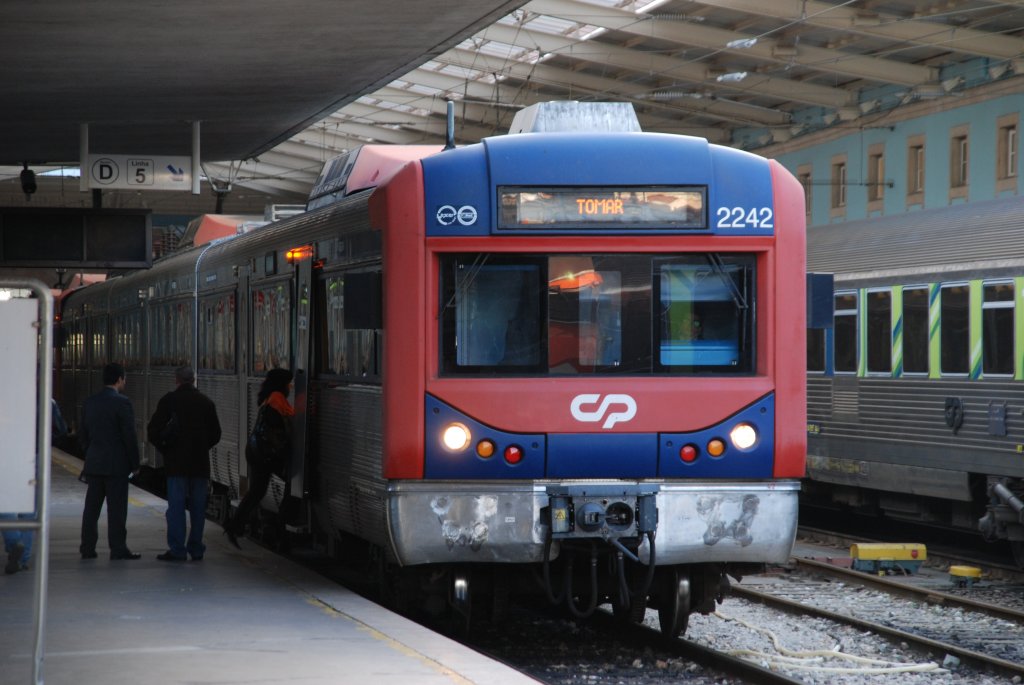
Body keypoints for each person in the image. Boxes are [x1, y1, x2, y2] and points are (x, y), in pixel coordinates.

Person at [147, 366, 222, 562]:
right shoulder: (206, 402)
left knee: (177, 507)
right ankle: (196, 549)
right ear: (194, 379)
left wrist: (167, 449)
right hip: (200, 465)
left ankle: (177, 550)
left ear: (176, 380)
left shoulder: (169, 401)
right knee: (198, 508)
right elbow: (216, 434)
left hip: (176, 465)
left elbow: (153, 431)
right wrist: (202, 447)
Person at [78, 362, 142, 561]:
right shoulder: (123, 403)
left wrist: (90, 453)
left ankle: (87, 548)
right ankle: (118, 548)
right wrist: (135, 463)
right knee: (117, 510)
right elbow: (129, 436)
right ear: (119, 379)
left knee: (91, 509)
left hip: (95, 463)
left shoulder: (90, 402)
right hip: (117, 466)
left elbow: (82, 434)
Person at [225, 368, 294, 549]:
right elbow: (285, 421)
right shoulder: (277, 398)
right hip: (265, 454)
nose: (290, 387)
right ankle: (280, 525)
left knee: (257, 491)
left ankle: (234, 526)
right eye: (288, 383)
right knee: (292, 482)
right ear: (282, 384)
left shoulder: (269, 396)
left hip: (257, 452)